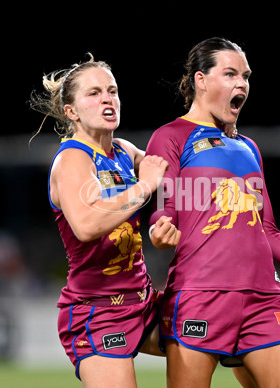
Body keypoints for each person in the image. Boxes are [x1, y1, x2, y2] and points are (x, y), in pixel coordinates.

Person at [146, 37, 280, 388]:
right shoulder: (171, 136)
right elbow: (165, 209)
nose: (242, 84)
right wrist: (159, 230)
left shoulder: (249, 147)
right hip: (199, 297)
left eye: (246, 76)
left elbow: (268, 231)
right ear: (200, 80)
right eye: (230, 73)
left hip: (263, 300)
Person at [28, 55, 170, 387]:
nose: (107, 98)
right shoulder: (73, 158)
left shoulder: (122, 150)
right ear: (71, 111)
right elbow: (88, 225)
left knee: (216, 327)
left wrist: (168, 217)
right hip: (97, 312)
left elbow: (171, 173)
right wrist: (145, 186)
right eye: (94, 93)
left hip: (143, 303)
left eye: (112, 90)